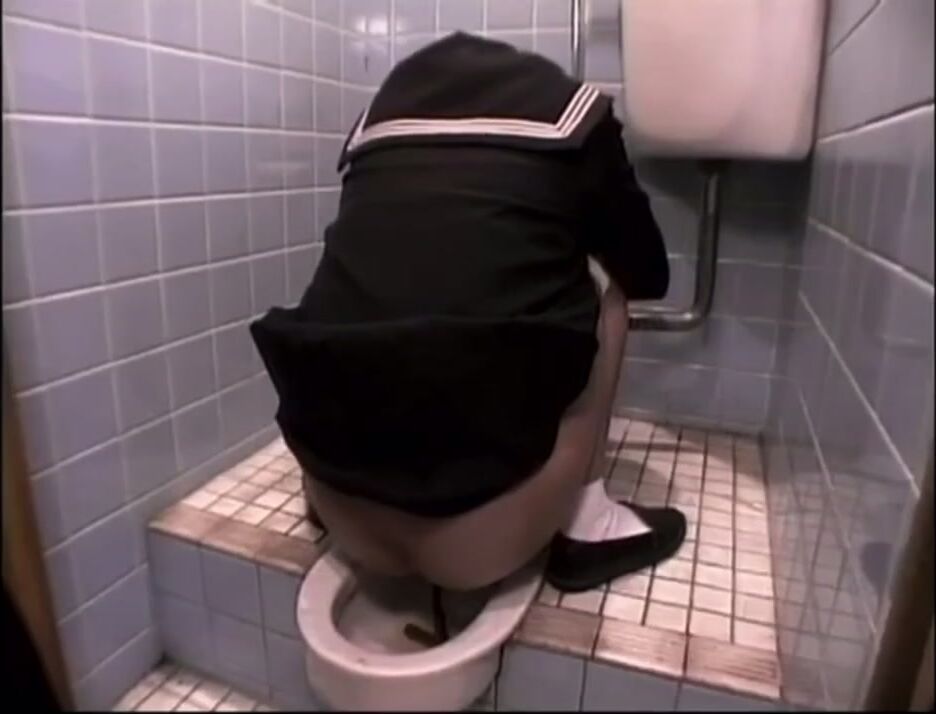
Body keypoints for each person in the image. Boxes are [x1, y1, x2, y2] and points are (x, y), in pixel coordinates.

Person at [251, 33, 686, 593]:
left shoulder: (375, 131)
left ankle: (348, 485)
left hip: (338, 509)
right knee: (608, 286)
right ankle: (587, 523)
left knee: (378, 271)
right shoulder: (575, 120)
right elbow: (647, 275)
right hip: (488, 541)